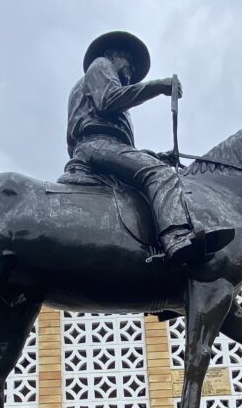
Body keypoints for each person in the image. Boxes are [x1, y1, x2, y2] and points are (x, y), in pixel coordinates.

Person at [65, 31, 231, 264]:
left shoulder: (107, 88)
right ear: (112, 54)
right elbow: (108, 100)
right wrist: (157, 87)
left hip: (103, 146)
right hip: (94, 146)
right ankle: (176, 236)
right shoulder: (100, 64)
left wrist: (157, 156)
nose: (131, 70)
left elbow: (121, 147)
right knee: (160, 175)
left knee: (156, 168)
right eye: (128, 62)